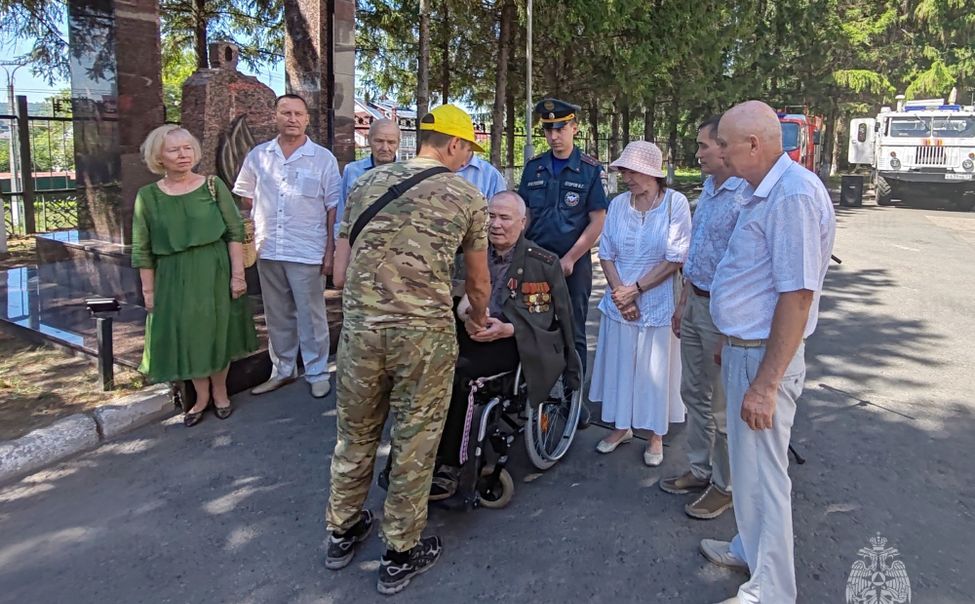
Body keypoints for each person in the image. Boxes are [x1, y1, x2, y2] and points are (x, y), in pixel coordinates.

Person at [325, 104, 491, 595]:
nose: (467, 159)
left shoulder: (363, 184)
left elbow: (340, 268)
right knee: (416, 439)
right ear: (454, 144)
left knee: (354, 432)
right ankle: (400, 553)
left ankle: (342, 530)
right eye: (468, 149)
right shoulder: (467, 196)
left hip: (360, 333)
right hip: (423, 338)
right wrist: (477, 319)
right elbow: (479, 283)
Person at [700, 101, 835, 604]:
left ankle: (773, 589)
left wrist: (765, 383)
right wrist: (727, 336)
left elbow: (796, 296)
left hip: (763, 360)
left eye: (727, 146)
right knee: (749, 467)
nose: (722, 157)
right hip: (745, 349)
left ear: (754, 144)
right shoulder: (765, 191)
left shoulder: (791, 197)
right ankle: (751, 548)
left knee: (764, 474)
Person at [431, 191, 581, 499]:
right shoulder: (468, 257)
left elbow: (549, 318)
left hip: (516, 343)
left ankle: (450, 465)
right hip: (469, 331)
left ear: (522, 223)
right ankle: (418, 456)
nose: (495, 224)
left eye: (504, 218)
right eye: (491, 217)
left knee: (463, 377)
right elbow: (453, 296)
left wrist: (508, 328)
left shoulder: (543, 262)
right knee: (428, 366)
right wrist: (466, 311)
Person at [131, 125, 258, 427]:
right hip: (173, 275)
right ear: (158, 156)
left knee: (217, 331)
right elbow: (142, 248)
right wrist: (149, 293)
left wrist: (238, 276)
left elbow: (234, 232)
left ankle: (221, 391)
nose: (182, 154)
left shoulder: (212, 186)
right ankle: (201, 396)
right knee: (189, 336)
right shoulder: (147, 197)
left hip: (214, 270)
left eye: (187, 147)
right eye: (174, 149)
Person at [660, 115, 750, 521]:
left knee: (721, 405)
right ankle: (700, 470)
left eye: (703, 146)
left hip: (721, 312)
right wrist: (682, 304)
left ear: (724, 148)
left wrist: (726, 331)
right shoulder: (710, 192)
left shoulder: (745, 197)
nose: (697, 154)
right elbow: (695, 256)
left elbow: (743, 271)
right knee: (693, 392)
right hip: (694, 301)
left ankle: (726, 484)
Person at [588, 141, 690, 466]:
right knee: (622, 365)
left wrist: (637, 289)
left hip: (657, 302)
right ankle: (621, 427)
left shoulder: (675, 203)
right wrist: (621, 294)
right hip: (619, 301)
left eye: (630, 171)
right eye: (623, 170)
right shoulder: (618, 204)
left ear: (650, 173)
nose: (625, 176)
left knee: (654, 370)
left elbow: (676, 258)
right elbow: (606, 253)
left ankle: (655, 434)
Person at [233, 94, 341, 399]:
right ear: (275, 117)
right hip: (268, 249)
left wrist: (330, 252)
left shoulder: (322, 159)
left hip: (307, 251)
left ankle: (317, 371)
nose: (292, 119)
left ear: (307, 119)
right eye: (286, 113)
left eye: (298, 114)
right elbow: (246, 198)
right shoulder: (258, 156)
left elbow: (333, 208)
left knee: (312, 315)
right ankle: (282, 370)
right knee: (276, 314)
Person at [517, 98, 609, 428]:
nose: (554, 135)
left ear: (574, 128)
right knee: (532, 328)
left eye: (560, 128)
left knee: (574, 333)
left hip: (573, 267)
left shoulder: (590, 169)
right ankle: (533, 395)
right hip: (535, 264)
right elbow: (524, 215)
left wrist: (571, 258)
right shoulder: (534, 167)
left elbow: (596, 220)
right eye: (548, 129)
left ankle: (574, 400)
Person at [334, 118, 400, 240]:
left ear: (398, 143)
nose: (385, 148)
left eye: (391, 142)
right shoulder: (352, 171)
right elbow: (341, 216)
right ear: (369, 140)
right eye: (379, 141)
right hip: (357, 245)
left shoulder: (410, 174)